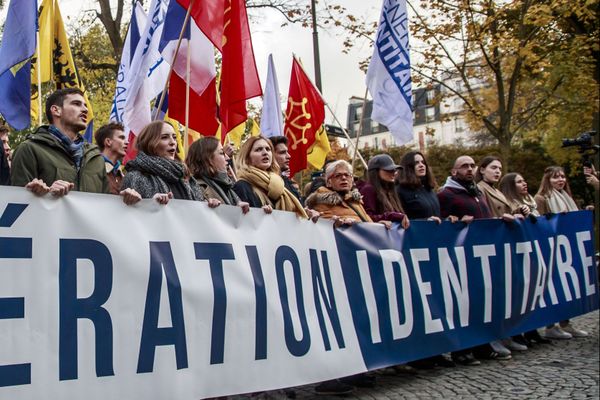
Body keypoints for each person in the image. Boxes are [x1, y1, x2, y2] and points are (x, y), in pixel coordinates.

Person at [438, 155, 512, 365]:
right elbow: (440, 225)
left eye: (472, 165)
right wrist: (454, 223)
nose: (469, 169)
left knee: (482, 301)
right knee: (463, 304)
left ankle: (482, 343)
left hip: (482, 255)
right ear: (454, 172)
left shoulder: (477, 192)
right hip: (460, 258)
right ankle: (462, 349)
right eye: (464, 166)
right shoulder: (447, 194)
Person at [11, 88, 108, 196]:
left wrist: (126, 200)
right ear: (56, 110)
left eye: (85, 105)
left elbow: (106, 207)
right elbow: (18, 204)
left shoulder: (96, 159)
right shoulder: (29, 150)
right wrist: (44, 195)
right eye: (76, 104)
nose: (85, 110)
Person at [534, 166, 590, 339]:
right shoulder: (541, 198)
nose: (560, 180)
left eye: (562, 177)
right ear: (547, 180)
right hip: (552, 250)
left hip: (568, 249)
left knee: (568, 287)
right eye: (555, 177)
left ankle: (566, 323)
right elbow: (539, 224)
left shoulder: (567, 197)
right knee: (553, 287)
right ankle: (551, 325)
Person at [499, 172, 552, 346]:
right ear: (510, 186)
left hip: (533, 251)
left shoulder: (531, 201)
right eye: (519, 181)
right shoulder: (511, 203)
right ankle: (517, 332)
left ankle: (531, 328)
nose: (524, 183)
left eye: (524, 180)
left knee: (532, 291)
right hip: (518, 252)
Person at [122, 121, 215, 206]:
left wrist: (208, 205)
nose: (173, 142)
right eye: (164, 137)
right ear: (149, 143)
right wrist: (150, 204)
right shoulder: (135, 177)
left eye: (174, 137)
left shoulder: (186, 178)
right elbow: (131, 218)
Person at [233, 136, 307, 218]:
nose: (265, 152)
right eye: (258, 150)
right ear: (247, 158)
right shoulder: (241, 186)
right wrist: (259, 215)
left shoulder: (280, 184)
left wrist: (307, 213)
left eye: (268, 149)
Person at [185, 136, 249, 213]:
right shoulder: (195, 188)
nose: (227, 158)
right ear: (207, 159)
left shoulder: (229, 188)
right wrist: (206, 207)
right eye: (222, 153)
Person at [305, 160, 372, 225]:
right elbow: (327, 229)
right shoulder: (321, 203)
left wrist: (380, 225)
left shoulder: (355, 201)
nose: (343, 178)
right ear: (329, 182)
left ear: (352, 180)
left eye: (347, 175)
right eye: (337, 175)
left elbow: (369, 224)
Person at [359, 154, 409, 229]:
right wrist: (390, 216)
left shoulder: (390, 191)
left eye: (394, 170)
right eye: (389, 170)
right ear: (376, 171)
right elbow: (366, 217)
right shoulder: (368, 189)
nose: (393, 172)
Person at [396, 151, 443, 222]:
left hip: (435, 232)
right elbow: (399, 221)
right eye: (416, 163)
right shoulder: (400, 191)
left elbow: (436, 216)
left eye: (423, 162)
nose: (421, 165)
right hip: (416, 232)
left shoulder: (429, 189)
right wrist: (425, 221)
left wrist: (447, 219)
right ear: (408, 167)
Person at [94, 122, 128, 195]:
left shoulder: (123, 176)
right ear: (108, 142)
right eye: (121, 138)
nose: (127, 142)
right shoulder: (93, 170)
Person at [269, 136, 302, 202]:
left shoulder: (289, 184)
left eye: (287, 152)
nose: (289, 156)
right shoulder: (263, 183)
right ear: (269, 155)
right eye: (282, 152)